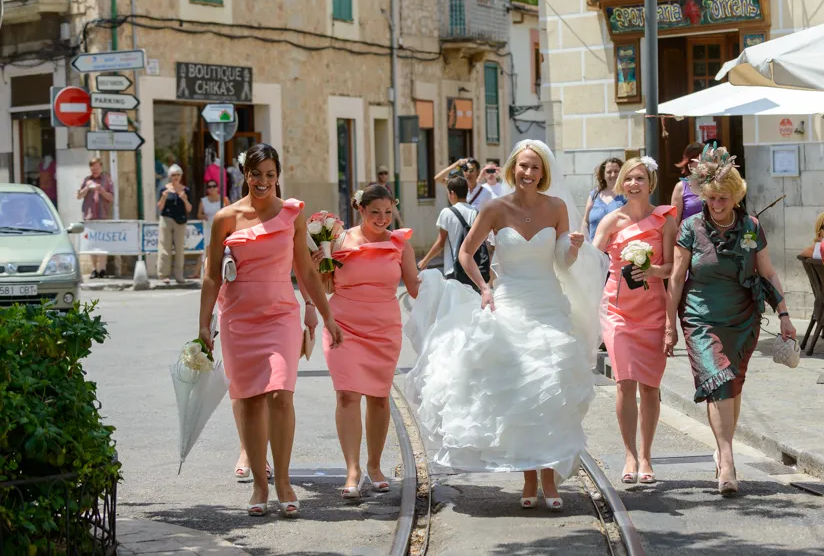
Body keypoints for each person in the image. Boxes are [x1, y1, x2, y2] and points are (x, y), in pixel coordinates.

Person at [404, 140, 608, 511]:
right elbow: (466, 251)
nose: (528, 173)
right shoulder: (495, 208)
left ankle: (550, 475)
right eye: (523, 166)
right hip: (511, 299)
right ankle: (529, 474)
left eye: (535, 167)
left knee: (552, 382)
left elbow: (563, 261)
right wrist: (483, 287)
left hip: (548, 302)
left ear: (543, 173)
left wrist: (575, 247)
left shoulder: (557, 207)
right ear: (513, 168)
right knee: (519, 389)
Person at [198, 143, 343, 518]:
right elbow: (213, 274)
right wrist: (203, 323)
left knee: (281, 393)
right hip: (237, 319)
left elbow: (306, 271)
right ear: (245, 174)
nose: (263, 181)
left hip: (280, 315)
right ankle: (260, 486)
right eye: (256, 173)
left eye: (270, 175)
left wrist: (326, 316)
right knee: (247, 400)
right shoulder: (226, 219)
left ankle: (283, 480)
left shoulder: (292, 214)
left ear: (278, 176)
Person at [666, 144, 796, 496]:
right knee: (718, 381)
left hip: (742, 316)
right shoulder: (691, 226)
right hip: (700, 316)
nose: (717, 204)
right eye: (711, 197)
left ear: (735, 195)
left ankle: (722, 450)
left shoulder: (751, 226)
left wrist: (784, 314)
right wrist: (669, 327)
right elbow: (677, 277)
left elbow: (767, 271)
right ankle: (727, 459)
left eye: (723, 197)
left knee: (732, 383)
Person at [313, 184, 419, 500]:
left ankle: (374, 466)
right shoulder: (337, 241)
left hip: (384, 329)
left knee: (378, 398)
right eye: (375, 212)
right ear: (360, 210)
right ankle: (352, 470)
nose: (382, 219)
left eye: (388, 212)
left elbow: (415, 287)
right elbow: (324, 287)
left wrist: (446, 295)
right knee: (346, 395)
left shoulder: (401, 245)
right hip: (342, 326)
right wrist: (320, 264)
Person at [592, 157, 677, 486]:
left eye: (639, 178)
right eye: (628, 178)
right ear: (620, 183)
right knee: (624, 382)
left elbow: (671, 269)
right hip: (618, 312)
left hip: (653, 309)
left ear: (650, 182)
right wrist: (568, 249)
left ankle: (646, 455)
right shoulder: (611, 221)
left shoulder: (665, 220)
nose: (633, 184)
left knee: (650, 386)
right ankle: (629, 454)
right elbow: (591, 260)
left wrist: (652, 271)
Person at [417, 175, 478, 276]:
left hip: (454, 269)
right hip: (474, 269)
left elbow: (440, 243)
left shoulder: (447, 212)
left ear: (452, 193)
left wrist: (424, 261)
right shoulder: (475, 212)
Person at [77, 157, 115, 278]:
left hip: (102, 215)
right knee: (92, 244)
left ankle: (102, 269)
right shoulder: (87, 180)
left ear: (101, 167)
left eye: (97, 168)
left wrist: (101, 190)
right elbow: (79, 196)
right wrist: (87, 188)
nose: (95, 171)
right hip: (89, 215)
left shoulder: (107, 180)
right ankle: (94, 269)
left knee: (103, 243)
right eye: (93, 169)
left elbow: (111, 198)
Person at [157, 164, 192, 284]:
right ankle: (163, 275)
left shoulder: (186, 190)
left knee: (179, 249)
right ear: (169, 176)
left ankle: (179, 275)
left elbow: (189, 209)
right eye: (173, 175)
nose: (176, 177)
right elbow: (160, 207)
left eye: (178, 175)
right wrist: (163, 198)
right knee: (164, 247)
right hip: (166, 219)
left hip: (180, 221)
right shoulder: (164, 190)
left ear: (181, 176)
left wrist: (184, 198)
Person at [580, 157, 626, 241]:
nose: (613, 175)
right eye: (609, 172)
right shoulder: (594, 194)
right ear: (603, 175)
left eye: (616, 171)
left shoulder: (626, 195)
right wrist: (584, 244)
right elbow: (585, 221)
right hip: (594, 250)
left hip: (617, 250)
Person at [671, 143, 705, 223]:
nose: (703, 163)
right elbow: (675, 220)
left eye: (706, 159)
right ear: (689, 164)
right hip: (688, 233)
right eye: (699, 160)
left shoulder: (714, 183)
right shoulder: (681, 187)